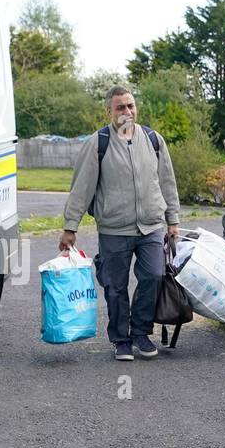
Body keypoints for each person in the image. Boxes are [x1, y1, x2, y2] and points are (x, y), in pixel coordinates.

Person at [60, 85, 180, 361]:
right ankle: (121, 339)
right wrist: (70, 226)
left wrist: (172, 219)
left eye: (130, 105)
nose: (127, 112)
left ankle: (140, 332)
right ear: (109, 111)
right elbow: (82, 188)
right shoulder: (98, 143)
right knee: (115, 287)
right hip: (114, 228)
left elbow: (167, 182)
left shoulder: (153, 139)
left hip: (151, 225)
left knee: (154, 276)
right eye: (120, 107)